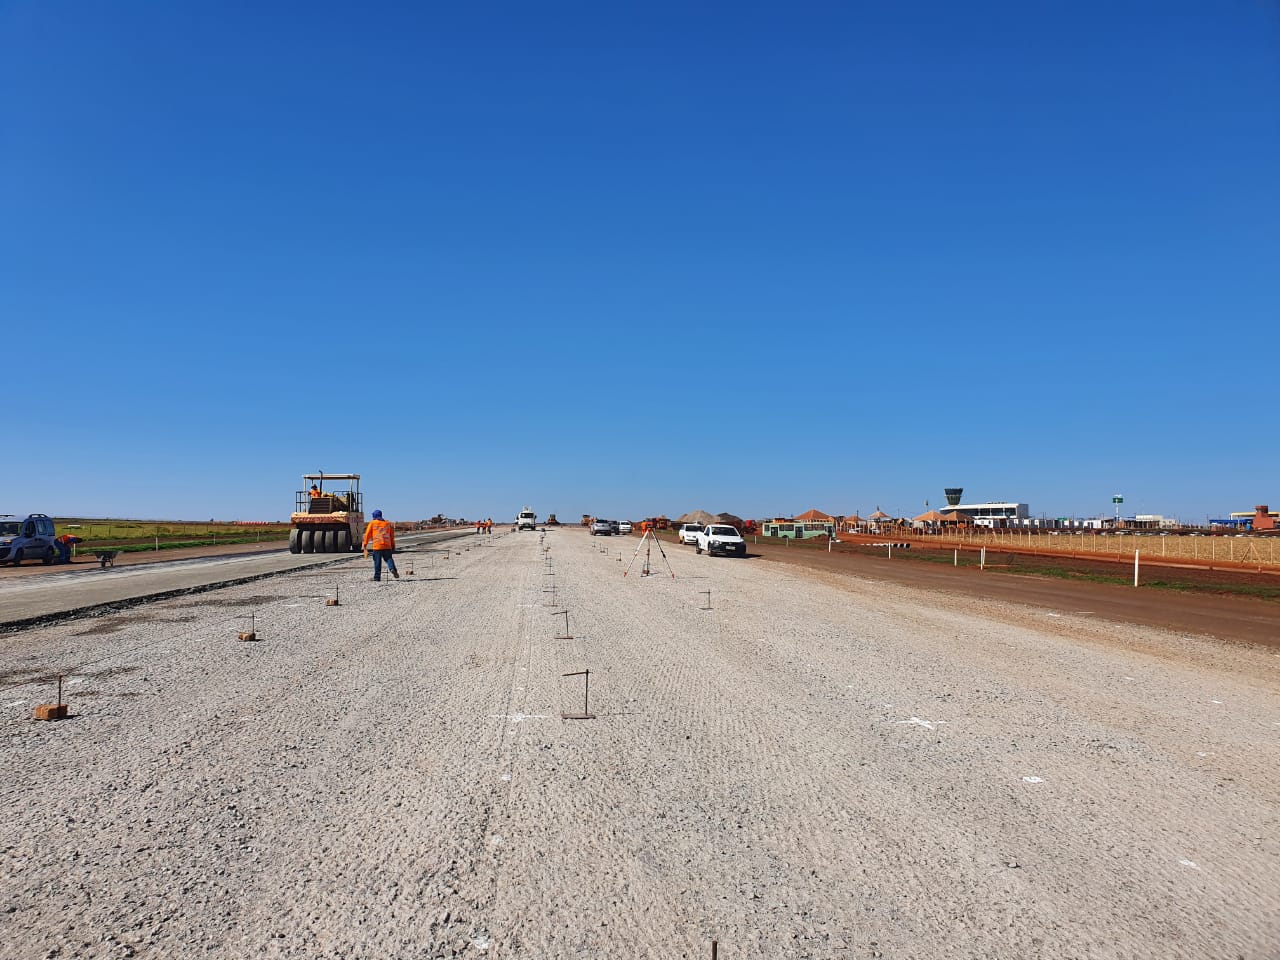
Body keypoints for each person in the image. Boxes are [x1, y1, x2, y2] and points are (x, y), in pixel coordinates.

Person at [361, 509, 398, 581]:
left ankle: (377, 577)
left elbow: (367, 534)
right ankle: (392, 568)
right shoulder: (387, 523)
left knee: (377, 562)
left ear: (374, 515)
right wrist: (393, 545)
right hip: (387, 545)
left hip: (377, 546)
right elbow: (391, 535)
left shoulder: (372, 523)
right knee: (389, 559)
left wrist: (365, 544)